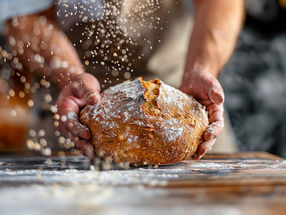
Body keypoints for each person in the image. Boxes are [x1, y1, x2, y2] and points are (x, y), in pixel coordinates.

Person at [0, 0, 244, 160]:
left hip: (181, 96)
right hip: (77, 111)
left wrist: (201, 70)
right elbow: (24, 18)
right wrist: (72, 77)